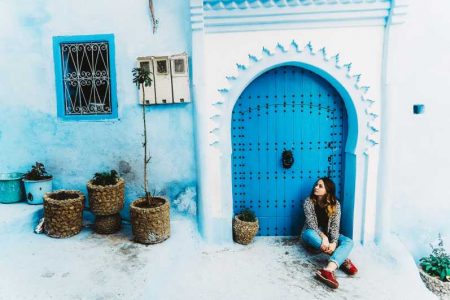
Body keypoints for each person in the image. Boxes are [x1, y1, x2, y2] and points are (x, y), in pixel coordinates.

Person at [301, 177, 358, 289]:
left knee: (348, 242)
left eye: (320, 186)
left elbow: (335, 227)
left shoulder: (335, 204)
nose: (316, 187)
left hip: (330, 236)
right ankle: (341, 259)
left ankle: (328, 270)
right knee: (307, 234)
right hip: (313, 235)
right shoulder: (308, 202)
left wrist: (334, 242)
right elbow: (311, 224)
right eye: (316, 185)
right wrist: (323, 237)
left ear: (328, 190)